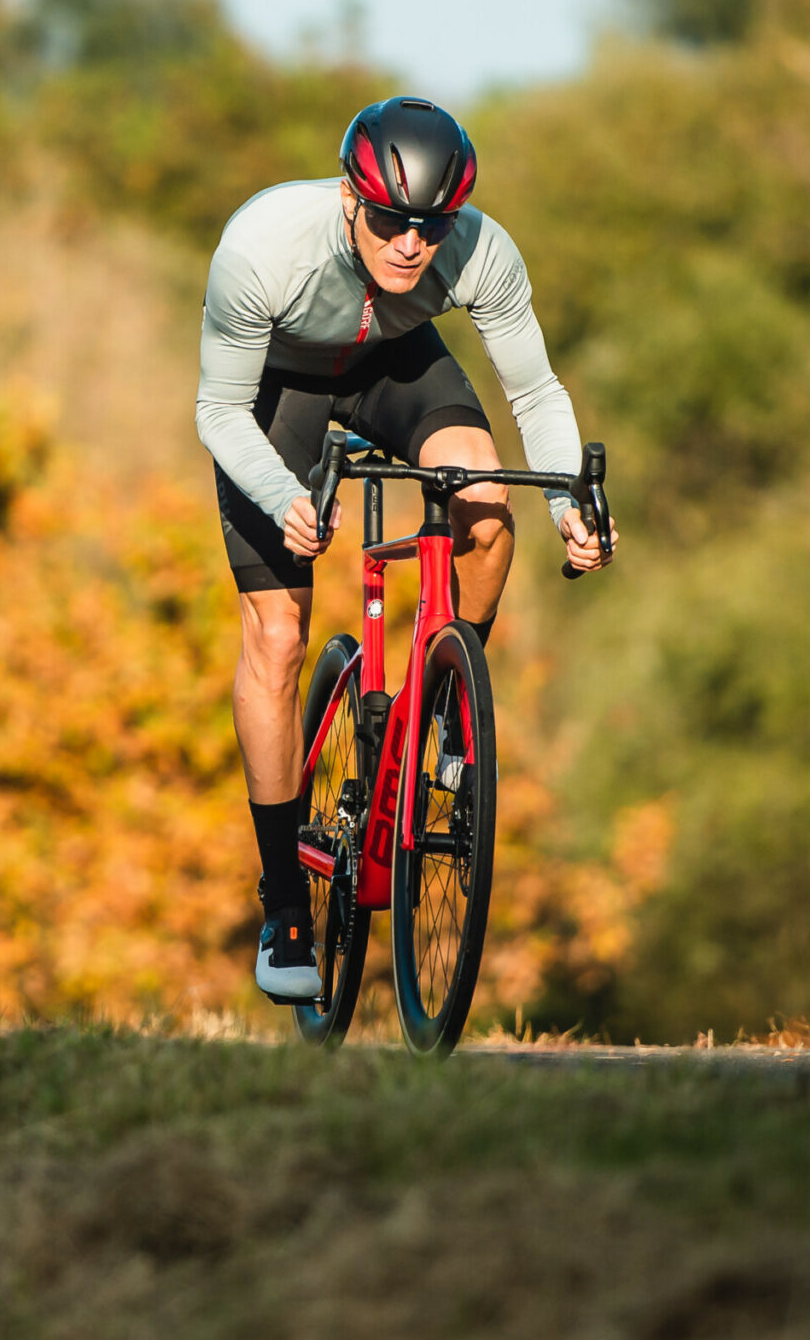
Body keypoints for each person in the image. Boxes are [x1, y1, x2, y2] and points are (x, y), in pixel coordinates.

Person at [196, 97, 614, 1003]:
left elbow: (535, 392)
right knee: (276, 637)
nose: (410, 246)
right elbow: (218, 411)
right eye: (388, 221)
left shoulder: (481, 251)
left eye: (431, 227)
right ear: (352, 197)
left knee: (487, 503)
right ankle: (283, 905)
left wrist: (573, 510)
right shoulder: (265, 247)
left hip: (395, 365)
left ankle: (445, 713)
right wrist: (283, 498)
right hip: (279, 384)